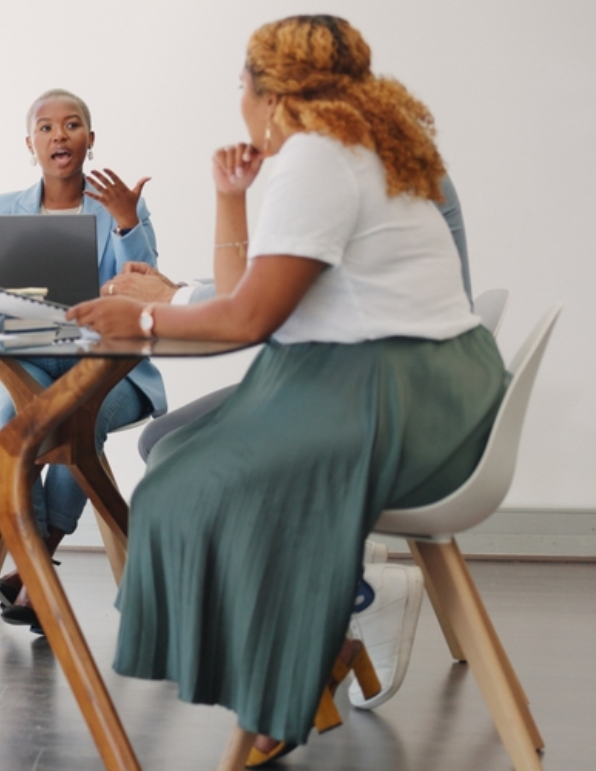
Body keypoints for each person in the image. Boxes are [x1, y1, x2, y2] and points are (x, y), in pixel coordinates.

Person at [68, 15, 505, 766]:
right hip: (431, 383)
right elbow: (250, 298)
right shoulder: (374, 142)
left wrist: (139, 314)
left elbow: (247, 318)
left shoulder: (320, 159)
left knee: (182, 480)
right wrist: (231, 195)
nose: (238, 102)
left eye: (240, 87)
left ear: (269, 95)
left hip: (386, 391)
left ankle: (307, 646)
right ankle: (304, 652)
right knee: (183, 454)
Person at [107, 172, 474, 713]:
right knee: (167, 437)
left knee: (193, 466)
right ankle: (335, 560)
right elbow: (276, 280)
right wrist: (178, 289)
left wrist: (173, 297)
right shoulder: (344, 162)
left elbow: (285, 302)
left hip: (380, 395)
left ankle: (357, 590)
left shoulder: (364, 173)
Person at [0, 88, 165, 633]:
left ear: (90, 140)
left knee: (79, 415)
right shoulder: (0, 209)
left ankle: (32, 567)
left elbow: (146, 287)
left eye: (72, 126)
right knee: (9, 419)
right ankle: (36, 572)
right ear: (31, 144)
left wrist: (125, 223)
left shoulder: (123, 210)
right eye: (46, 128)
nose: (59, 135)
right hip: (16, 362)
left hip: (102, 366)